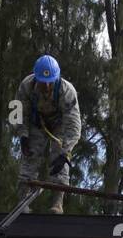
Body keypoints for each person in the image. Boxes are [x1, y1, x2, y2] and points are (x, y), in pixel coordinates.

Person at [16, 54, 81, 213]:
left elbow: (73, 125)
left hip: (60, 126)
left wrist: (65, 153)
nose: (46, 87)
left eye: (49, 83)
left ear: (56, 78)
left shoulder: (67, 92)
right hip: (37, 123)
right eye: (42, 83)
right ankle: (23, 200)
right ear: (36, 78)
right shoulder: (26, 86)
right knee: (29, 155)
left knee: (60, 160)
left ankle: (57, 203)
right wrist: (22, 135)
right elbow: (17, 112)